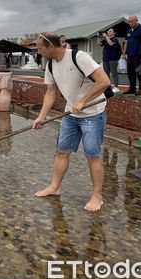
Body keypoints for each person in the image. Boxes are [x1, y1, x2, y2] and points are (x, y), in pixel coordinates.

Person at [33, 32, 110, 212]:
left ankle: (97, 196)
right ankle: (55, 187)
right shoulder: (50, 65)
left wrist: (83, 101)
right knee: (61, 151)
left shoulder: (79, 57)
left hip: (93, 114)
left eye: (40, 48)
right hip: (70, 114)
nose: (38, 51)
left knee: (92, 155)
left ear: (51, 46)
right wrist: (41, 117)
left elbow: (104, 81)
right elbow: (51, 92)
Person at [122, 15, 141, 95]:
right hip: (130, 55)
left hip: (138, 54)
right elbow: (126, 43)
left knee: (140, 72)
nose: (130, 23)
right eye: (129, 21)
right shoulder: (128, 31)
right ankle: (132, 88)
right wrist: (124, 53)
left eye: (132, 21)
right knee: (130, 72)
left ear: (136, 20)